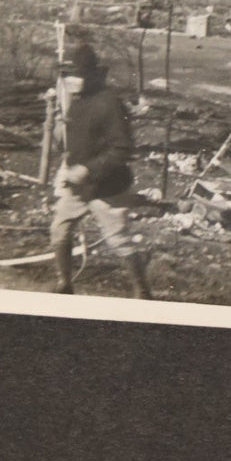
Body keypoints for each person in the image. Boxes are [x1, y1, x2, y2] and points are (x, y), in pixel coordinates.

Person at [49, 42, 151, 298]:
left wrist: (88, 168)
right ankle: (65, 284)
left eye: (75, 76)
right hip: (77, 187)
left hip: (107, 186)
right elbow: (73, 142)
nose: (69, 82)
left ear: (90, 76)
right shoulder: (77, 102)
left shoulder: (110, 104)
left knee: (118, 240)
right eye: (66, 76)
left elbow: (123, 149)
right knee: (59, 230)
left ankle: (142, 292)